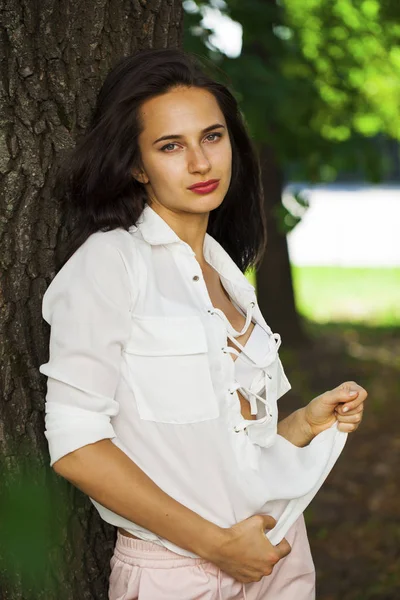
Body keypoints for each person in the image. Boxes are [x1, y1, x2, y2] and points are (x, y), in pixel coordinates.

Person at [39, 48, 368, 600]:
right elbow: (76, 445)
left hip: (277, 555)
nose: (200, 162)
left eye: (212, 137)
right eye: (171, 146)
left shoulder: (227, 274)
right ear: (137, 165)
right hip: (178, 574)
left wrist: (302, 425)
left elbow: (229, 455)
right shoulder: (110, 263)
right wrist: (216, 546)